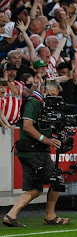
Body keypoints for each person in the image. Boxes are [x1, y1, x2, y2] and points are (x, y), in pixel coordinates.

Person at [3, 80, 69, 227]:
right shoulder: (34, 102)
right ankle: (48, 216)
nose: (52, 100)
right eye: (51, 95)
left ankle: (12, 215)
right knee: (53, 181)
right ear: (44, 90)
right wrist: (46, 140)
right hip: (33, 151)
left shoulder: (41, 104)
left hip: (33, 151)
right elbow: (27, 126)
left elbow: (40, 126)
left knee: (42, 185)